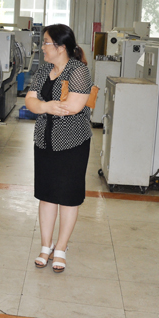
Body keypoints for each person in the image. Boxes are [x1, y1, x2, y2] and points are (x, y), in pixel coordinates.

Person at [24, 24, 93, 273]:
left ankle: (61, 248)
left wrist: (42, 105)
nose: (42, 47)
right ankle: (46, 246)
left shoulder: (78, 70)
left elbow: (73, 107)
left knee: (68, 197)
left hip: (72, 142)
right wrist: (46, 106)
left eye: (46, 42)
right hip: (44, 140)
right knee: (47, 195)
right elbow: (29, 100)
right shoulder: (44, 70)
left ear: (61, 47)